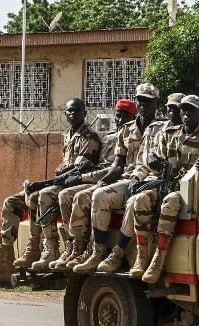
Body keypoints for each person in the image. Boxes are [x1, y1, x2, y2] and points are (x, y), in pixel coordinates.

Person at [0, 98, 100, 286]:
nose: (73, 113)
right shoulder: (67, 135)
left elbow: (77, 171)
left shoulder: (89, 137)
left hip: (71, 184)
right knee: (11, 202)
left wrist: (42, 183)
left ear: (85, 114)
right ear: (65, 114)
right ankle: (6, 256)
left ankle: (49, 247)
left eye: (77, 110)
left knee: (39, 195)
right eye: (69, 110)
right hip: (58, 181)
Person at [99, 94, 199, 281]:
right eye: (184, 110)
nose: (186, 114)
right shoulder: (169, 134)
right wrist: (153, 164)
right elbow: (151, 160)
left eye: (191, 111)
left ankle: (158, 259)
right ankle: (142, 256)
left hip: (187, 192)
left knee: (170, 202)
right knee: (139, 199)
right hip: (162, 184)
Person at [70, 83, 164, 273]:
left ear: (156, 103)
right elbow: (118, 165)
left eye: (148, 101)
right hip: (127, 179)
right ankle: (98, 251)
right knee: (99, 195)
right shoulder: (126, 130)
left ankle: (118, 253)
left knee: (132, 202)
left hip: (150, 180)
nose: (143, 104)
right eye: (140, 100)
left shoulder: (163, 129)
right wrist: (104, 181)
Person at [49, 99, 137, 271]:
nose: (120, 120)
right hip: (102, 178)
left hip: (119, 180)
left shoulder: (137, 136)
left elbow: (114, 169)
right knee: (65, 195)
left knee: (83, 196)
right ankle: (74, 246)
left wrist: (83, 178)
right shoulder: (110, 138)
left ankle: (94, 250)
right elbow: (102, 166)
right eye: (117, 116)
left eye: (125, 117)